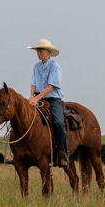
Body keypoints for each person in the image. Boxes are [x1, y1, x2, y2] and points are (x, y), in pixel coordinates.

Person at [28, 39, 68, 168]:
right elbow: (33, 82)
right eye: (37, 51)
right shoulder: (36, 66)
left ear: (48, 52)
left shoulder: (55, 67)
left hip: (52, 99)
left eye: (41, 51)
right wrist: (31, 96)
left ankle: (63, 153)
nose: (38, 54)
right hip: (38, 98)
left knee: (59, 122)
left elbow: (52, 86)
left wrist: (37, 98)